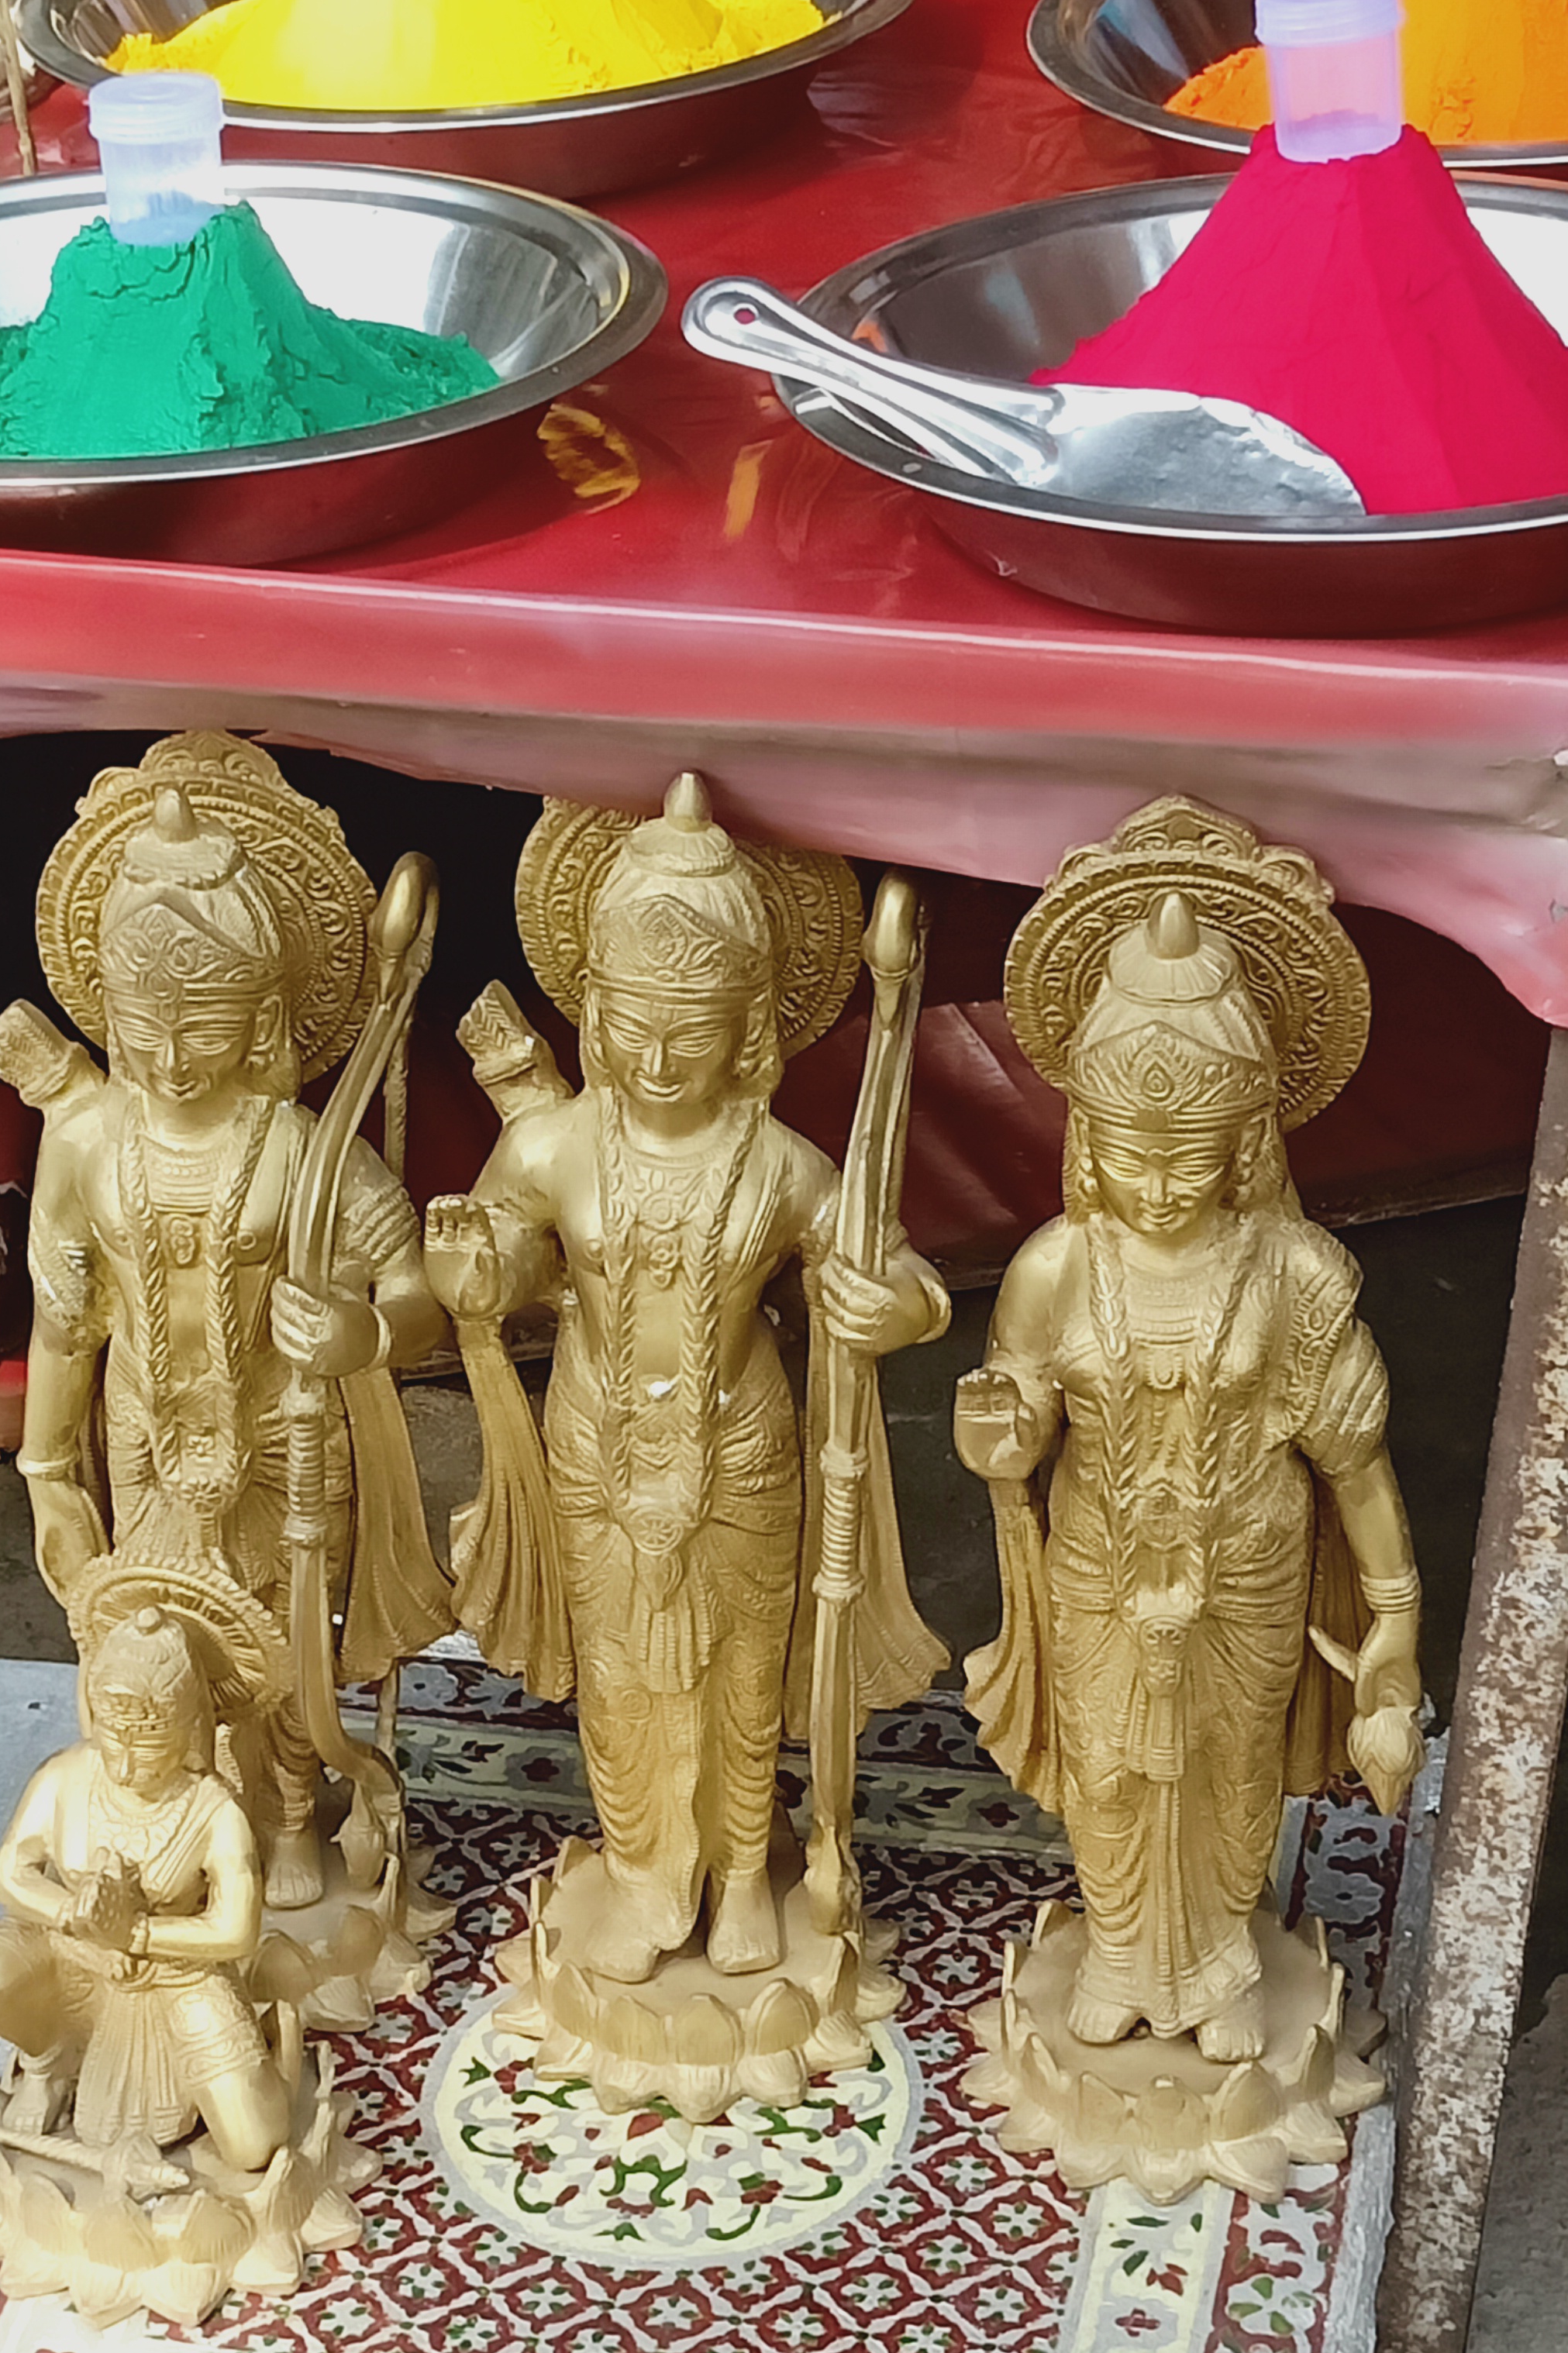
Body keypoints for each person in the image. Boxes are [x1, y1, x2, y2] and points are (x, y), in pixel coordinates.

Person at [426, 773, 948, 1986]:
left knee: (739, 1669)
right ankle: (647, 1875)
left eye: (694, 1031)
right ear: (596, 1013)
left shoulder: (781, 1165)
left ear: (747, 1028)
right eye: (638, 1026)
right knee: (620, 1672)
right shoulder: (553, 1143)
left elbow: (901, 1275)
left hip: (742, 1448)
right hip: (595, 1441)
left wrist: (895, 1308)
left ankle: (743, 1870)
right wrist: (474, 1267)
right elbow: (499, 1256)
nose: (661, 1059)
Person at [956, 878, 1422, 2065]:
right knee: (1111, 1762)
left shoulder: (1297, 1275)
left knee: (1228, 1761)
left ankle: (1220, 1957)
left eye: (1191, 1159)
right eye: (1132, 1157)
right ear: (1087, 1140)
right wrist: (1000, 1431)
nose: (1160, 1187)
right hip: (1101, 1556)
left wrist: (1396, 1623)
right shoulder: (1056, 1267)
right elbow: (1018, 1414)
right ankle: (1119, 1949)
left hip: (1247, 1561)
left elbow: (1357, 1465)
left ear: (1245, 1145)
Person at [0, 736, 451, 1906]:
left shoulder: (302, 1151)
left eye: (203, 1024)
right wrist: (47, 1472)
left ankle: (290, 1815)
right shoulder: (87, 1141)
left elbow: (415, 1287)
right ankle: (174, 1825)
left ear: (261, 1020)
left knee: (288, 1628)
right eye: (144, 1022)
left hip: (282, 1431)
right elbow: (66, 1323)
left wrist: (363, 1335)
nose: (170, 1055)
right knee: (155, 1635)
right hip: (145, 1433)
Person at [0, 1604, 291, 2186]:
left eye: (150, 1743)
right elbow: (12, 1871)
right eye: (114, 1737)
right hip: (73, 1952)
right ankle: (46, 2062)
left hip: (179, 1974)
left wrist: (136, 1934)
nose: (125, 1763)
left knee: (253, 2143)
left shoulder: (213, 1811)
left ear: (187, 1728)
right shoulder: (66, 1775)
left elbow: (235, 1929)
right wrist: (72, 1914)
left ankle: (268, 2053)